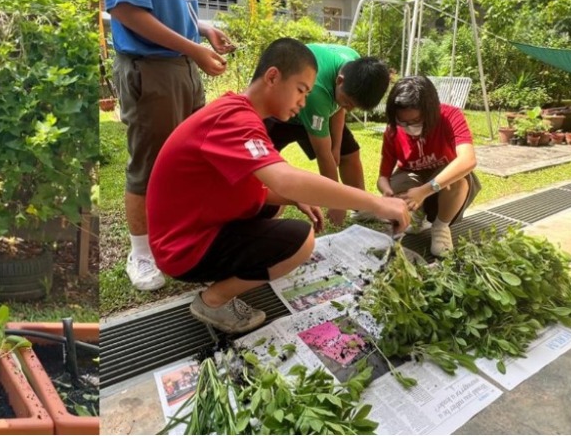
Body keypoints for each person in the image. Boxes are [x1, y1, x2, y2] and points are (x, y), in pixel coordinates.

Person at [147, 38, 410, 334]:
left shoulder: (240, 113)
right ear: (273, 76)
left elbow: (253, 184)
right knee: (301, 241)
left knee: (281, 200)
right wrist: (376, 203)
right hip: (181, 249)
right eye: (301, 90)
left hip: (190, 227)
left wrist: (293, 198)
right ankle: (213, 300)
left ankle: (228, 272)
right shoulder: (234, 121)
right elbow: (285, 178)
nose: (303, 101)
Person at [103, 0, 236, 292]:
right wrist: (192, 48)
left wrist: (204, 32)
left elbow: (170, 9)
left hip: (184, 66)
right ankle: (139, 254)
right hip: (150, 68)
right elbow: (125, 10)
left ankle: (178, 233)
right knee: (150, 161)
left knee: (187, 157)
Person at [264, 43, 390, 226]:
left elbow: (339, 107)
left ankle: (363, 208)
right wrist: (336, 202)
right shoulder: (318, 92)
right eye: (348, 102)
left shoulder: (353, 64)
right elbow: (324, 155)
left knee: (350, 154)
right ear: (339, 80)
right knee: (261, 160)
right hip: (281, 114)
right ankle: (253, 208)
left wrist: (337, 147)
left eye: (355, 106)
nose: (350, 109)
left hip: (320, 106)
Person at [378, 75, 481, 256]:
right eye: (402, 121)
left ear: (430, 111)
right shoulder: (393, 131)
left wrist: (425, 191)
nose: (409, 127)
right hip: (413, 181)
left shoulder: (450, 116)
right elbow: (383, 177)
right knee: (397, 186)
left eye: (415, 121)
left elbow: (468, 160)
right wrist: (387, 191)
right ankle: (415, 217)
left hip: (443, 188)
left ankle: (441, 226)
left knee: (456, 180)